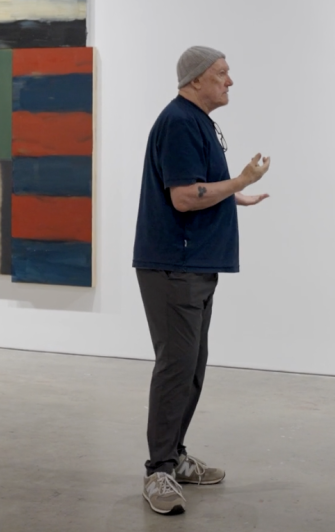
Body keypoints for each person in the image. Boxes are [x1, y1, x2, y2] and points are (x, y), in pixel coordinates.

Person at [133, 46, 271, 515]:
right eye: (221, 73)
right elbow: (183, 198)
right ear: (195, 80)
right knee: (176, 367)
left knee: (191, 366)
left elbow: (197, 186)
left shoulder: (197, 122)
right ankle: (159, 471)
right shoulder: (179, 122)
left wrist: (233, 197)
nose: (230, 81)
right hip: (175, 265)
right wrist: (239, 182)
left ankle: (175, 456)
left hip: (192, 266)